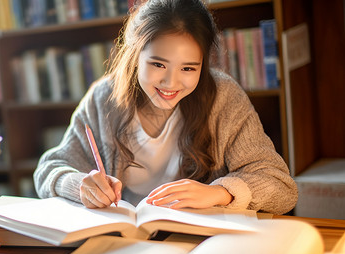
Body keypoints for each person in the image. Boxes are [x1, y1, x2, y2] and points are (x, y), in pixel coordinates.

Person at [34, 0, 298, 214]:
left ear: (203, 66)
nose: (171, 82)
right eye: (158, 64)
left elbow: (282, 186)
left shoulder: (223, 96)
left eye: (188, 68)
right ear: (135, 56)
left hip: (200, 243)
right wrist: (79, 184)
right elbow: (48, 170)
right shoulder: (103, 97)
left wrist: (220, 193)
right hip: (124, 237)